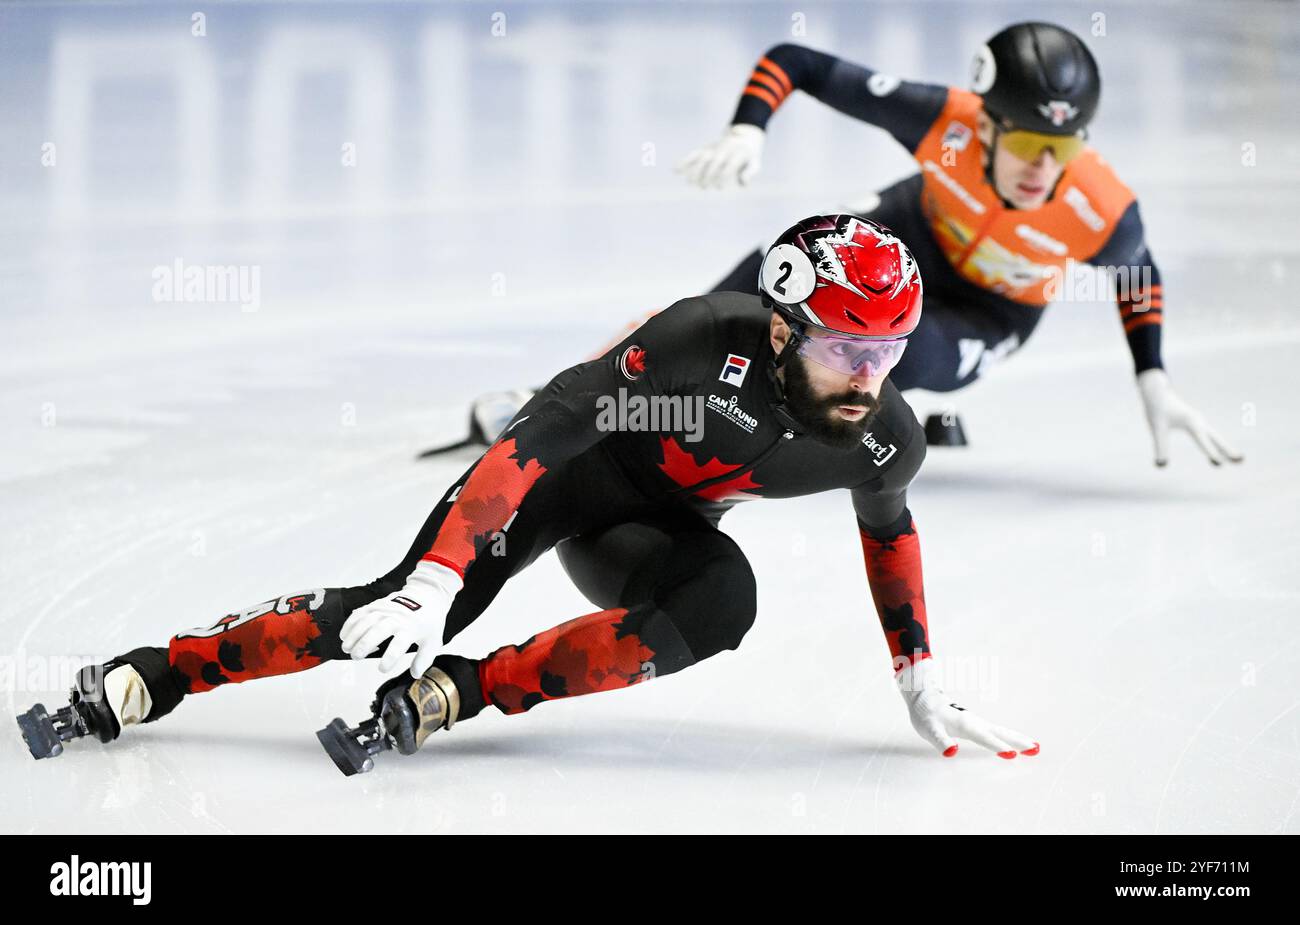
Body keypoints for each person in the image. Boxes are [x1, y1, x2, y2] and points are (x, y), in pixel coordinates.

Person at [19, 215, 1038, 770]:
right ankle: (161, 671)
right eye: (847, 348)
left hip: (648, 530)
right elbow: (549, 425)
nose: (870, 378)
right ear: (780, 330)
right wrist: (434, 573)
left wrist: (915, 668)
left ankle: (464, 691)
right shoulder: (701, 338)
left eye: (890, 351)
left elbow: (888, 525)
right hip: (562, 478)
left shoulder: (882, 433)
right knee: (393, 613)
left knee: (725, 605)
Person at [465, 21, 1241, 466]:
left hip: (994, 309)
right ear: (989, 123)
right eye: (1033, 142)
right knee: (778, 275)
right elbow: (796, 61)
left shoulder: (1099, 207)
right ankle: (579, 393)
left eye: (1064, 150)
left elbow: (1136, 275)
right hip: (916, 233)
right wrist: (748, 126)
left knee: (913, 355)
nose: (1047, 168)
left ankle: (795, 419)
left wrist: (1153, 377)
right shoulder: (947, 123)